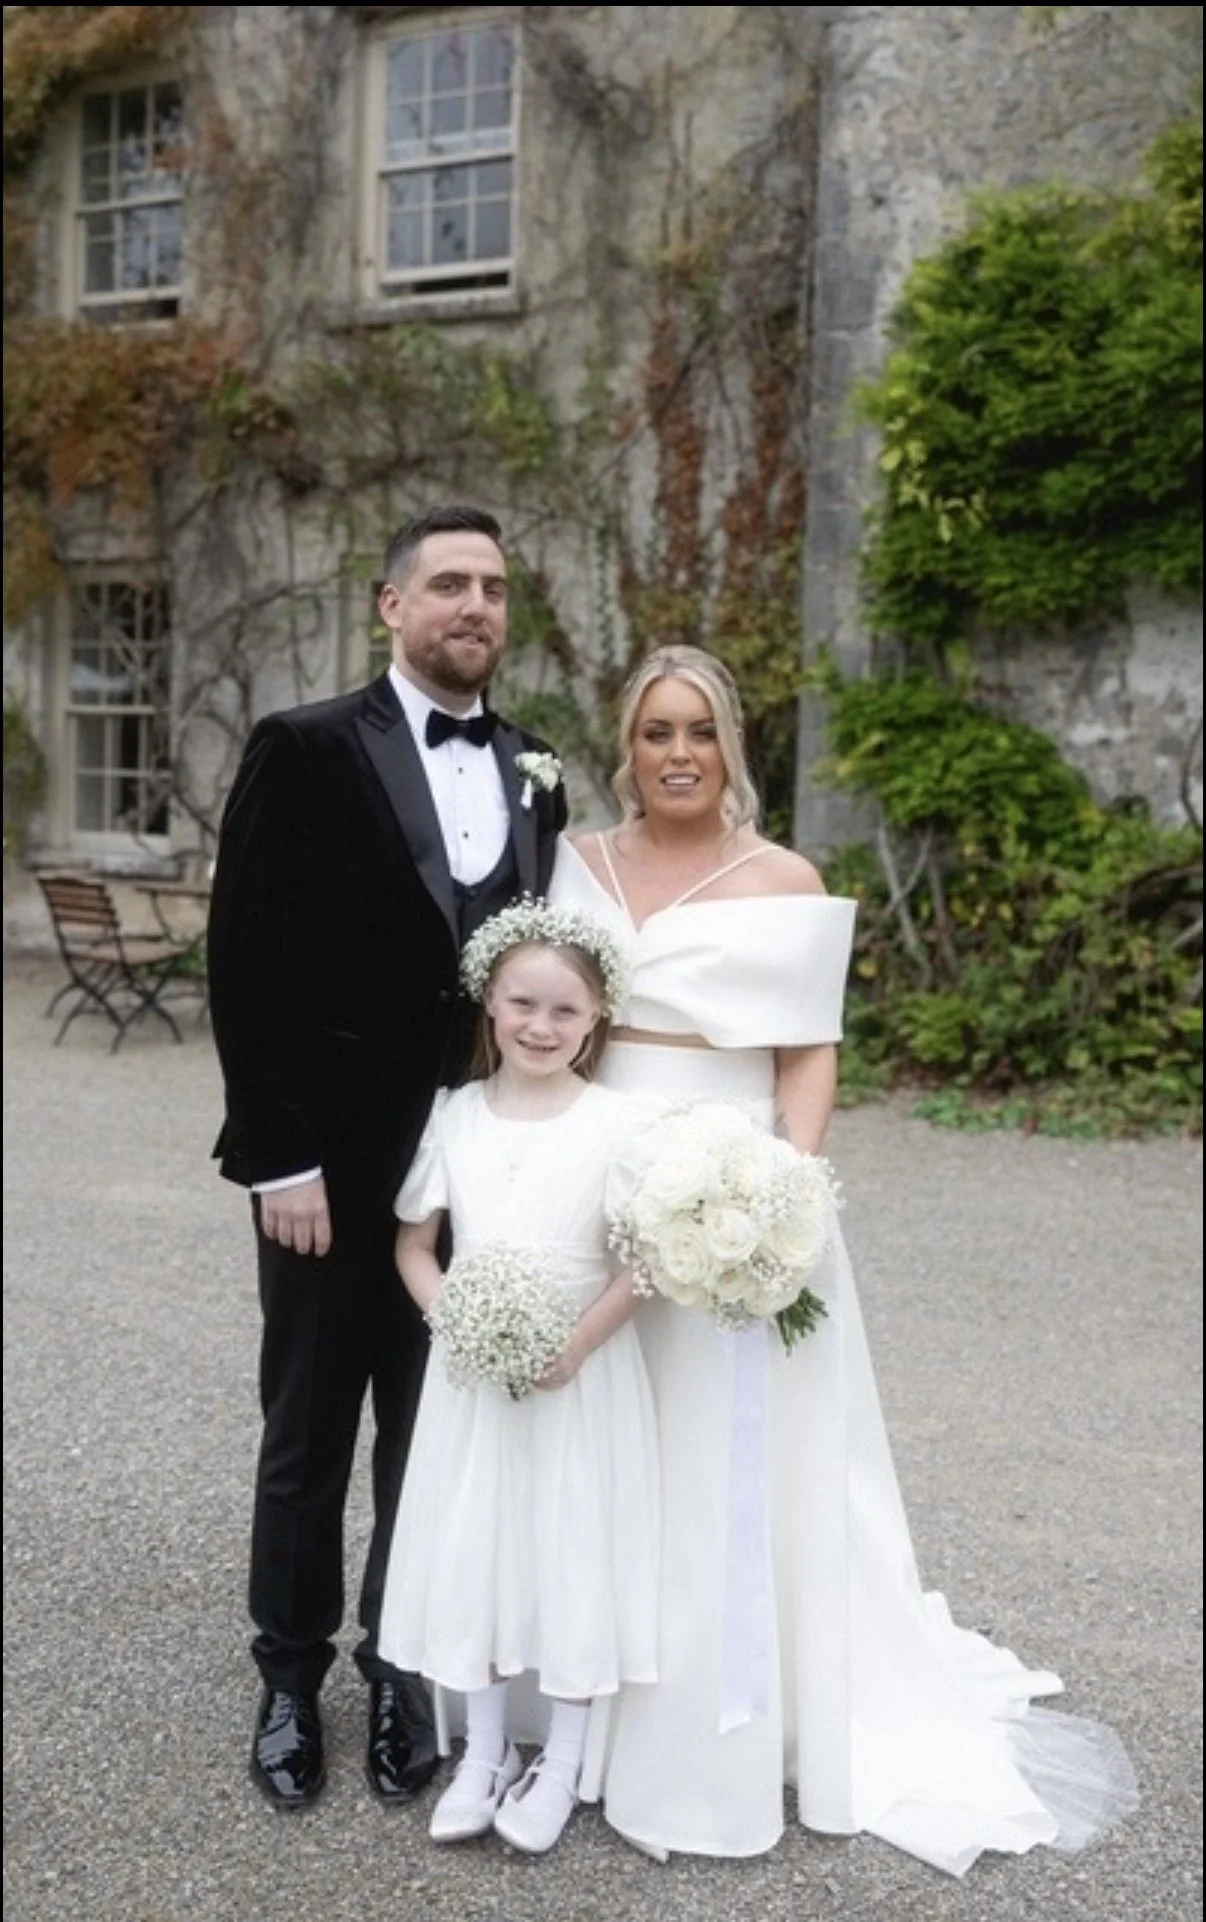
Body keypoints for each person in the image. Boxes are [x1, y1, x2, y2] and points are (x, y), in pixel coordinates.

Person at [548, 643, 1139, 1877]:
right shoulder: (576, 862)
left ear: (731, 747)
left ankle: (726, 1721)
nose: (677, 754)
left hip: (731, 1185)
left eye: (699, 731)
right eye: (656, 731)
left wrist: (780, 1190)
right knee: (604, 1443)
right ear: (628, 746)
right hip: (597, 1178)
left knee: (724, 1459)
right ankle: (574, 1722)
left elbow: (808, 1049)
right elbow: (549, 1015)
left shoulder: (784, 877)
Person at [206, 505, 567, 1812]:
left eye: (495, 588)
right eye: (450, 583)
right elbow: (244, 959)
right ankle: (290, 1678)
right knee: (308, 1429)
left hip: (475, 1172)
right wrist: (279, 1156)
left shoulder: (534, 769)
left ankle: (403, 1663)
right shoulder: (303, 747)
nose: (475, 605)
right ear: (391, 604)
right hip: (327, 1169)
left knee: (433, 1432)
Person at [377, 900, 659, 1856]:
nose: (541, 1026)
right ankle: (485, 1751)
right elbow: (414, 1246)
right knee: (480, 1549)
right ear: (489, 1004)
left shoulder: (618, 1123)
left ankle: (565, 1759)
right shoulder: (454, 1115)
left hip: (579, 1378)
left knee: (574, 1550)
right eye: (523, 1004)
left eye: (565, 1011)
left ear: (596, 1019)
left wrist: (578, 1345)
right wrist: (455, 1319)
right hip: (475, 1381)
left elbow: (643, 1266)